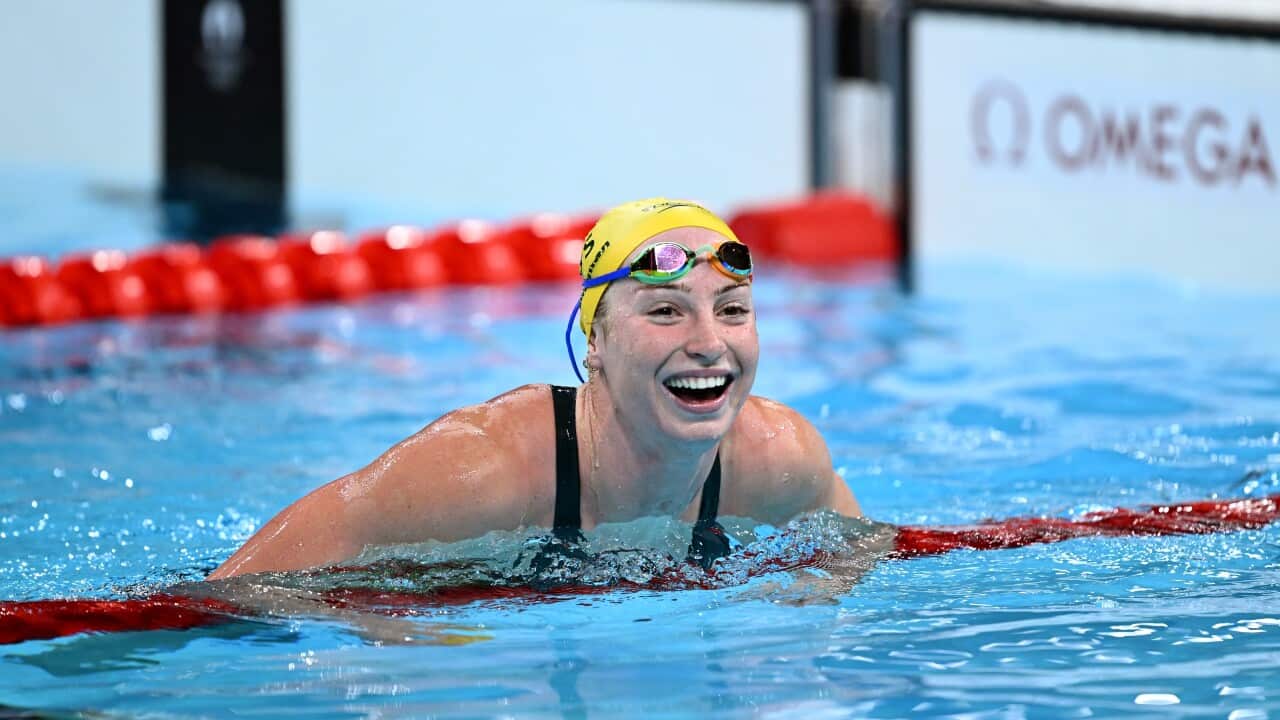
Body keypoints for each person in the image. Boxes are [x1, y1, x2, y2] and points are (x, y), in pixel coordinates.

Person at [207, 198, 862, 581]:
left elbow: (867, 557)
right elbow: (229, 596)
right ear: (596, 343)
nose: (709, 342)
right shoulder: (481, 469)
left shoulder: (780, 458)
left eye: (732, 310)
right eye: (665, 312)